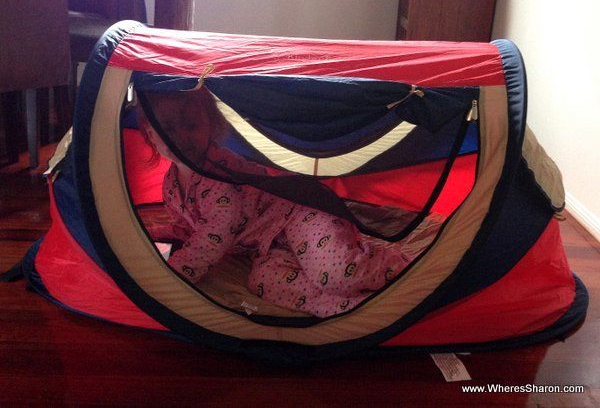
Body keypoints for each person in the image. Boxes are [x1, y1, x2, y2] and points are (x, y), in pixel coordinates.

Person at [137, 88, 442, 318]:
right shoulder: (171, 185)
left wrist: (171, 278)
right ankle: (354, 309)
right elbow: (187, 224)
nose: (181, 137)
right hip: (270, 243)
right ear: (151, 136)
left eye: (190, 125)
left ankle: (406, 266)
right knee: (263, 283)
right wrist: (166, 234)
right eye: (168, 128)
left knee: (337, 272)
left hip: (302, 213)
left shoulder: (219, 177)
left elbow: (213, 237)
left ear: (211, 125)